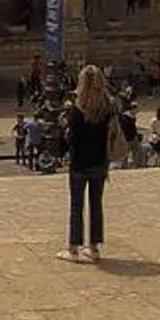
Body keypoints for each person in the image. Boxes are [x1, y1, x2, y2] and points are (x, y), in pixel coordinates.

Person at [59, 67, 114, 263]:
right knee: (96, 205)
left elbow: (73, 140)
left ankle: (73, 249)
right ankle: (94, 247)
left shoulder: (78, 109)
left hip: (79, 164)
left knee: (76, 206)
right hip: (99, 162)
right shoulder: (107, 107)